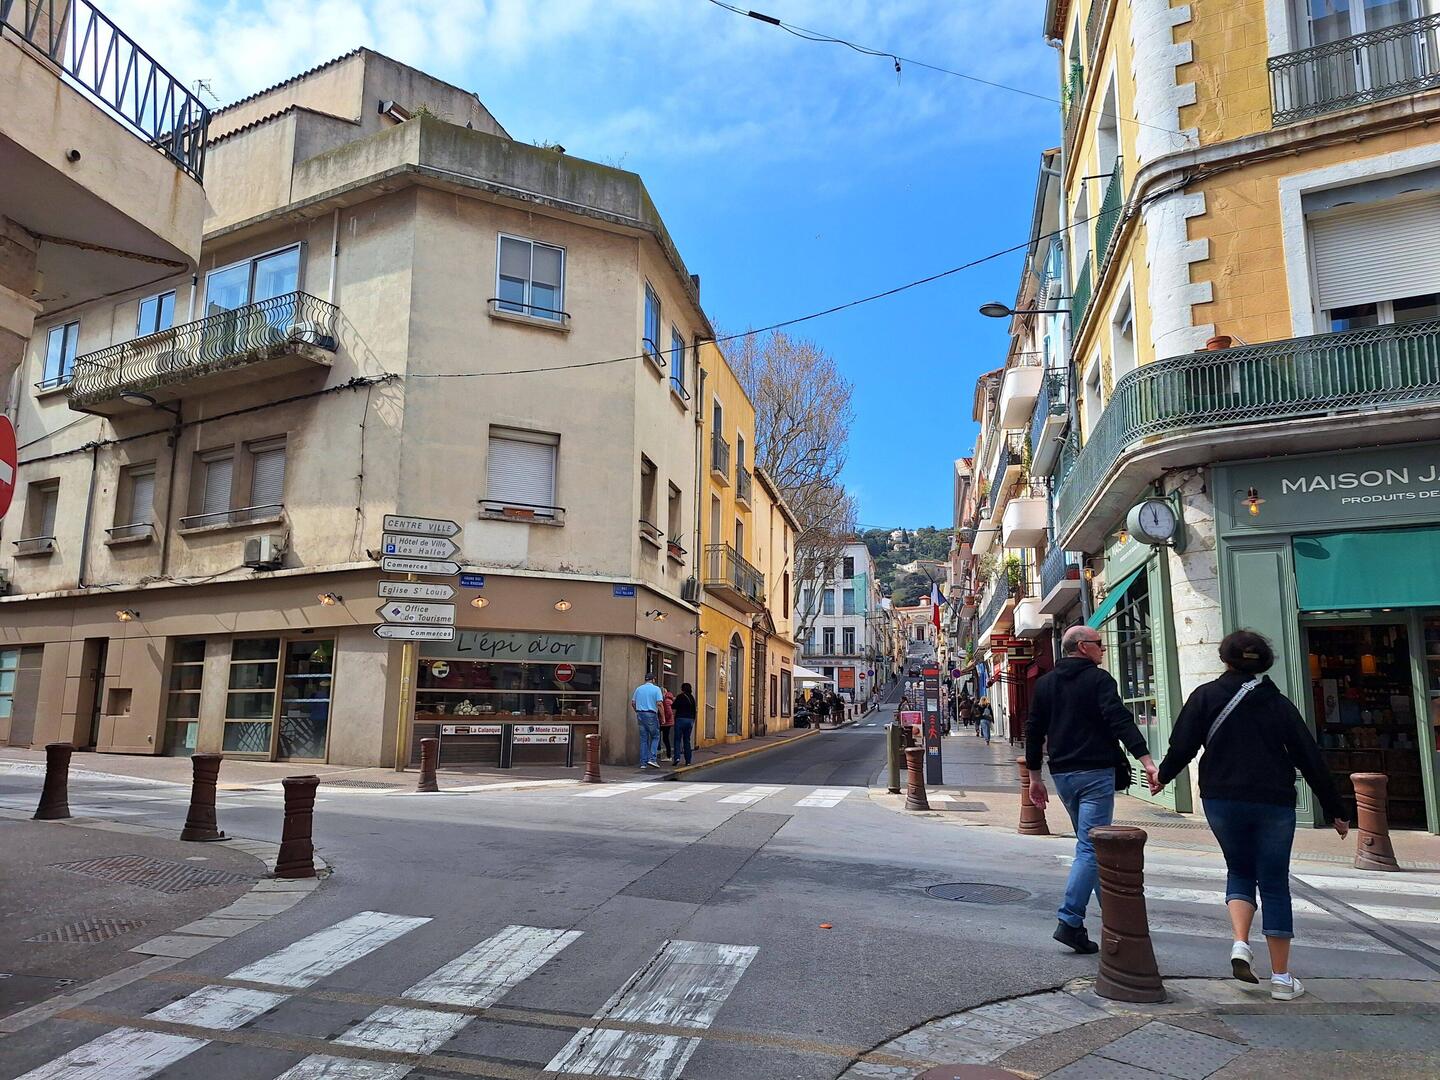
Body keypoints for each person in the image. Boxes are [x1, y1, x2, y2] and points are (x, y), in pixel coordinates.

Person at [1153, 629, 1348, 1002]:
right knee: (1274, 881)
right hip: (1272, 800)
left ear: (1224, 658)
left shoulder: (1205, 696)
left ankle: (1241, 943)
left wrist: (1163, 776)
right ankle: (1281, 977)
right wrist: (1336, 809)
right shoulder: (1277, 703)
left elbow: (1183, 745)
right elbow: (1309, 756)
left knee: (1239, 868)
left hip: (1221, 798)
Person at [1026, 625, 1160, 955]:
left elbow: (1033, 730)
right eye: (1099, 644)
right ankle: (1070, 920)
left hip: (1064, 776)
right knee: (1090, 847)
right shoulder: (1100, 681)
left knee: (1093, 847)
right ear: (1083, 647)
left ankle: (1118, 916)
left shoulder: (1045, 684)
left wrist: (1034, 777)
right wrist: (1146, 760)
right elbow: (1119, 719)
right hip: (1096, 774)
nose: (1103, 649)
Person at [630, 672, 664, 769]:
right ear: (653, 680)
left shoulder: (639, 689)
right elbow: (659, 704)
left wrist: (637, 710)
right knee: (655, 736)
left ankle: (643, 763)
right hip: (651, 714)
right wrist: (663, 717)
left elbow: (633, 702)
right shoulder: (656, 689)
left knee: (643, 739)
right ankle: (652, 759)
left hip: (640, 714)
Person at [672, 682, 697, 766]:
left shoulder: (680, 697)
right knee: (687, 740)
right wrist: (693, 720)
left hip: (680, 719)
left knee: (677, 740)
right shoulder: (692, 698)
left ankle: (677, 758)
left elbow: (673, 706)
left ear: (682, 689)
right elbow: (694, 710)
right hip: (690, 720)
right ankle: (688, 761)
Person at [659, 687, 675, 762]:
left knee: (664, 738)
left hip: (666, 723)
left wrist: (664, 719)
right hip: (667, 722)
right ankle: (666, 753)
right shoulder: (669, 699)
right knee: (664, 738)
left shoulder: (666, 701)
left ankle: (668, 755)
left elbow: (669, 712)